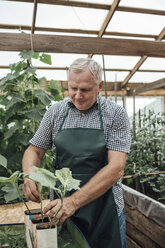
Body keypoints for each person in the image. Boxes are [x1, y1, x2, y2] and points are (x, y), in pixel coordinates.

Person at [22, 58, 131, 248]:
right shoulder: (55, 112)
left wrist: (74, 202)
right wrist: (30, 176)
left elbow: (116, 168)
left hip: (104, 210)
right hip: (60, 208)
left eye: (85, 90)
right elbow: (34, 150)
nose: (78, 95)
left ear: (100, 85)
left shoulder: (115, 114)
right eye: (73, 88)